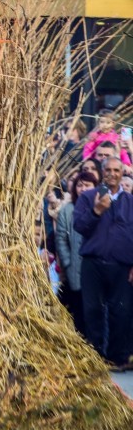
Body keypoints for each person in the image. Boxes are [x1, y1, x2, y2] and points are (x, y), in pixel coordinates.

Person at [73, 157, 133, 367]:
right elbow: (79, 225)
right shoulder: (88, 197)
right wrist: (96, 211)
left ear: (123, 172)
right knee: (92, 310)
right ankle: (95, 358)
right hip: (93, 263)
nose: (112, 174)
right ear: (102, 172)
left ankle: (118, 358)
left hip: (122, 266)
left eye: (117, 170)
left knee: (122, 312)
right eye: (108, 170)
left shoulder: (130, 201)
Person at [55, 170, 99, 335]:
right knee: (79, 307)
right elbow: (60, 239)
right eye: (79, 185)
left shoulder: (102, 207)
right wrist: (67, 262)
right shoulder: (68, 210)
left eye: (87, 185)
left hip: (97, 268)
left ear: (95, 187)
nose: (83, 188)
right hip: (75, 267)